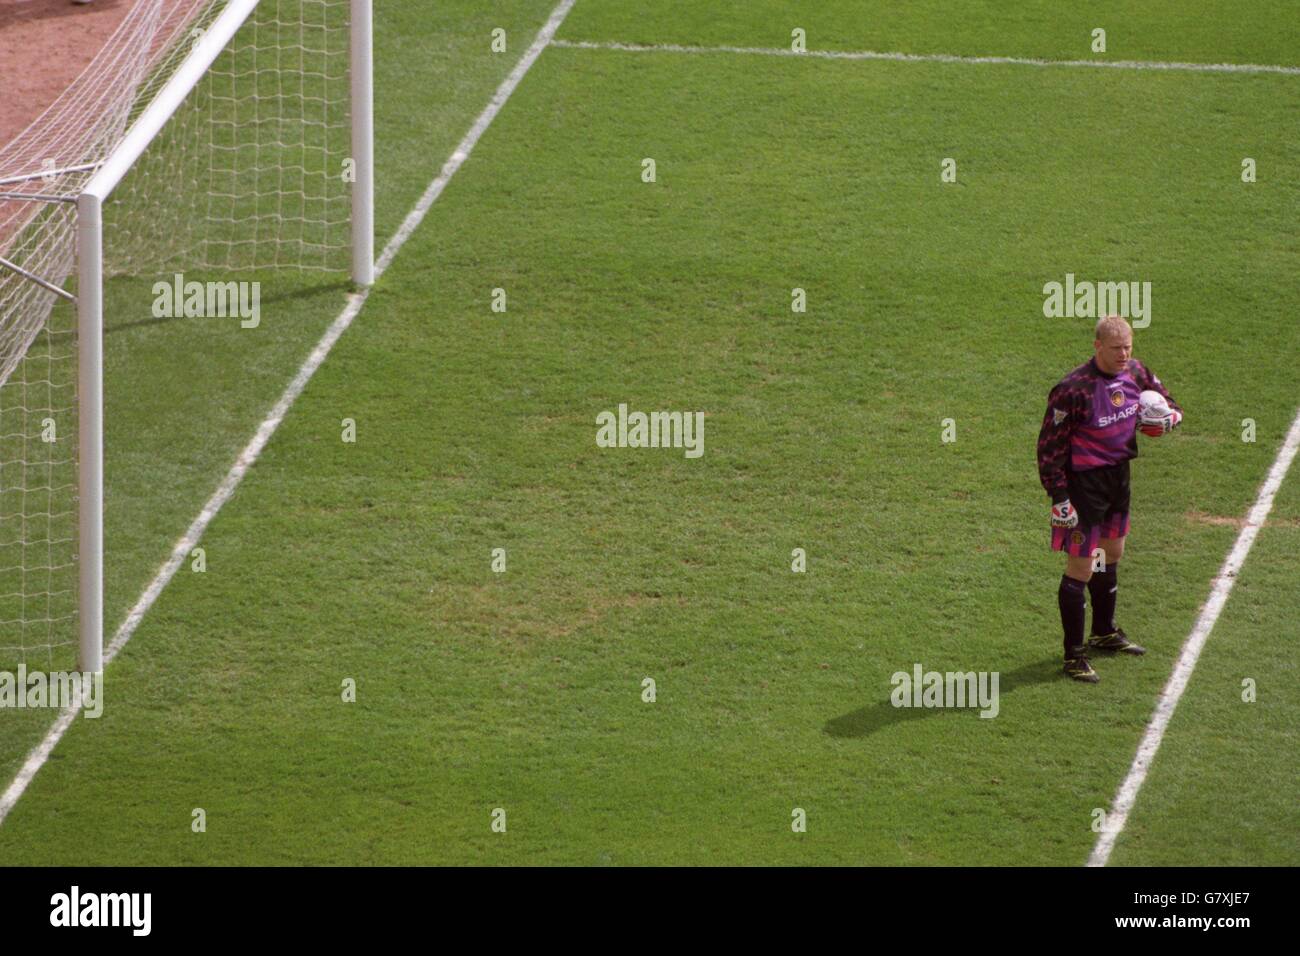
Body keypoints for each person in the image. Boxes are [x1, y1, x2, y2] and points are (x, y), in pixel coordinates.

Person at [1036, 315, 1182, 682]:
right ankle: (1073, 655)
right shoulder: (1072, 389)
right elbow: (1049, 447)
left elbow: (1168, 404)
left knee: (1111, 553)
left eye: (1128, 347)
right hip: (1083, 486)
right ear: (1097, 346)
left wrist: (1168, 420)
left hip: (1118, 478)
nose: (1123, 354)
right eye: (1116, 348)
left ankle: (1103, 631)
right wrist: (1058, 496)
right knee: (1081, 567)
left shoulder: (1135, 372)